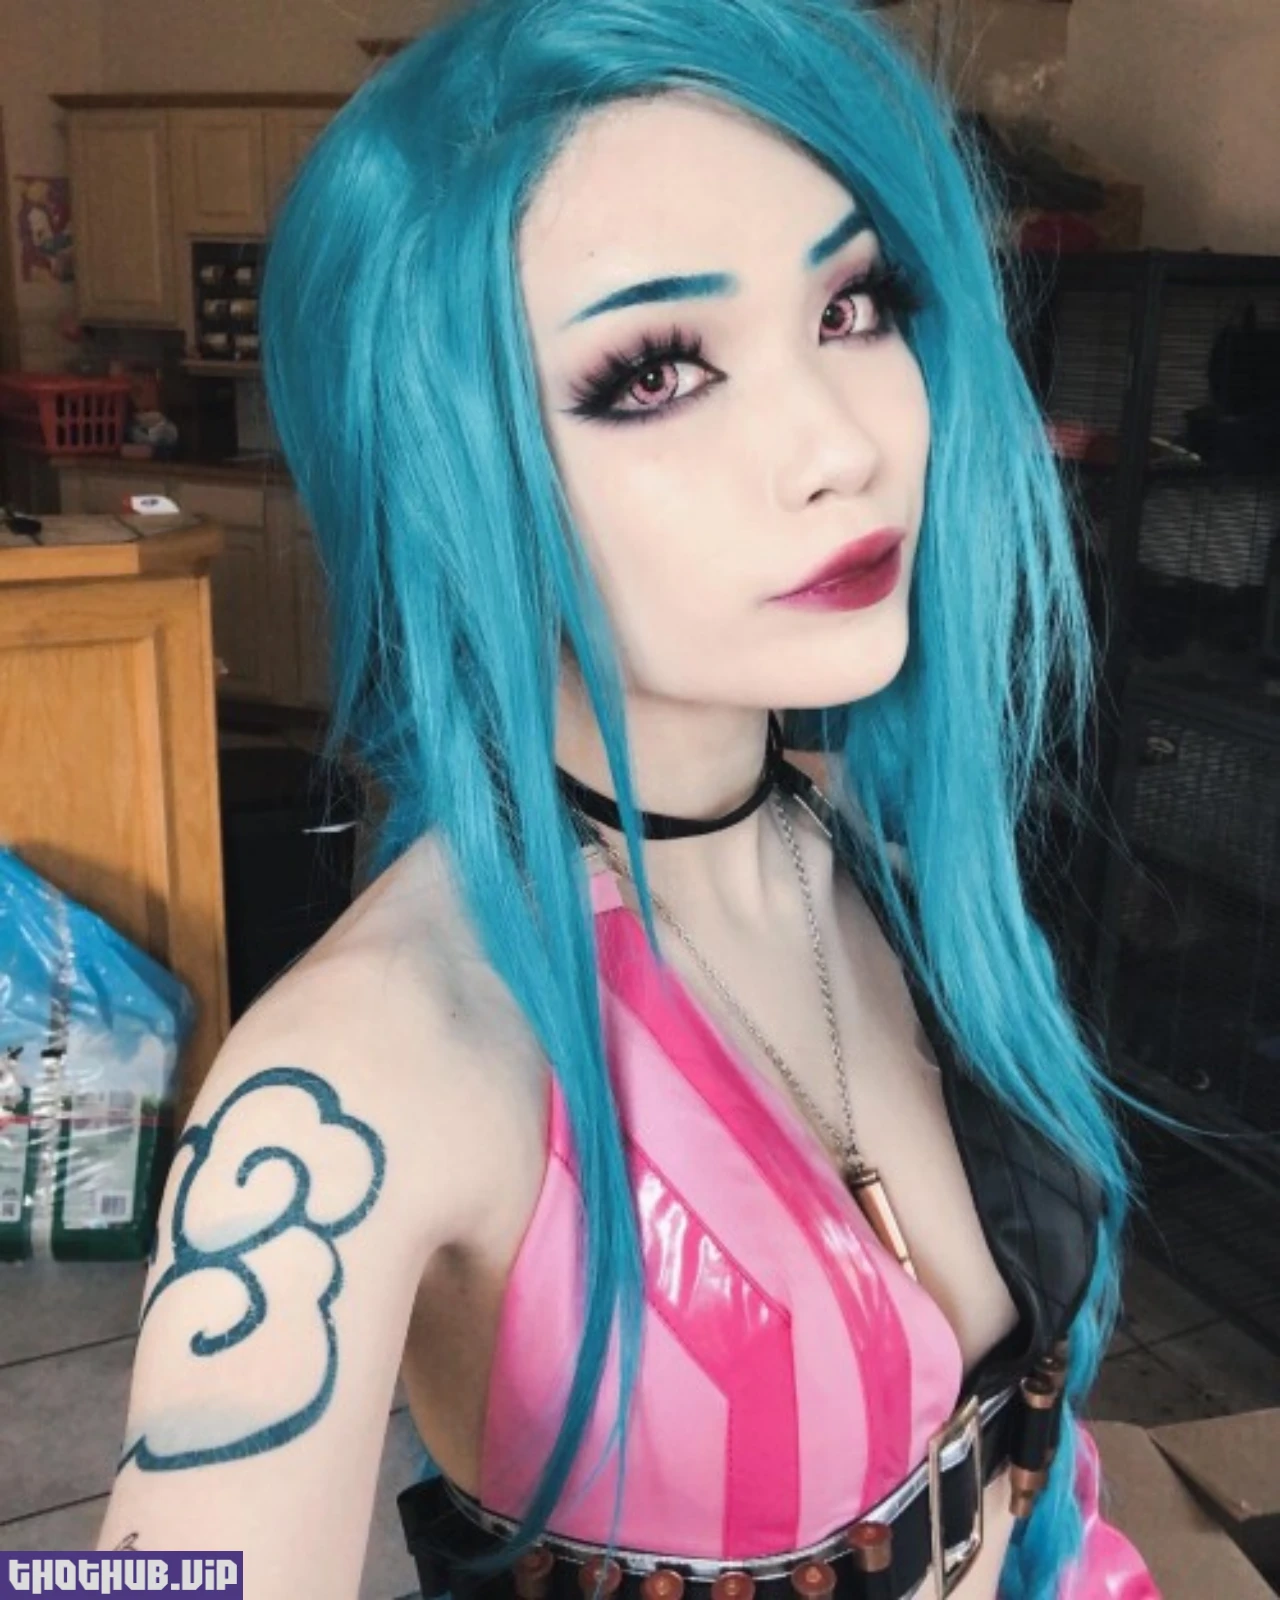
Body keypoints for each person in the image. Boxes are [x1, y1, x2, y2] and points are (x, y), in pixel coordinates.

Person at [97, 2, 1161, 1596]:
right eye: (658, 371)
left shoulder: (870, 852)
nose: (838, 445)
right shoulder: (368, 1071)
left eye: (853, 304)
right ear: (441, 466)